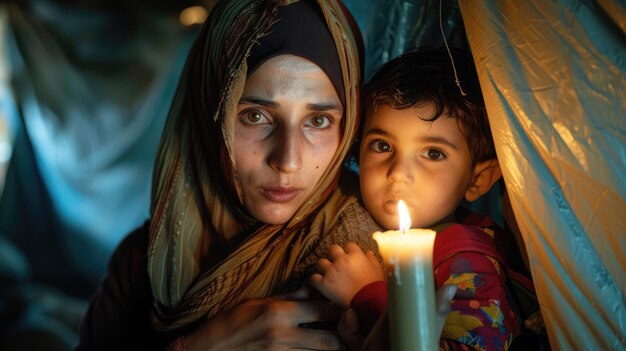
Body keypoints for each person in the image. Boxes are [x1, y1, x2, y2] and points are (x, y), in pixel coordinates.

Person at [77, 0, 384, 350]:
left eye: (318, 121)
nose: (288, 161)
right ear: (211, 114)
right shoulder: (144, 263)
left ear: (351, 126)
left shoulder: (368, 265)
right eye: (255, 116)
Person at [311, 48, 522, 350]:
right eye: (382, 145)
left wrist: (368, 295)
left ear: (478, 179)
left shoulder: (467, 257)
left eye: (433, 153)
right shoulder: (346, 220)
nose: (398, 172)